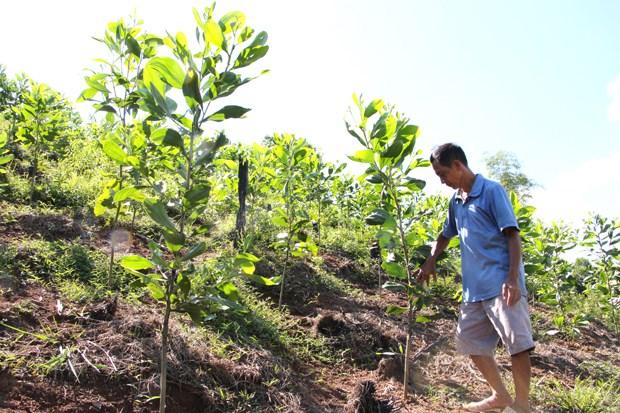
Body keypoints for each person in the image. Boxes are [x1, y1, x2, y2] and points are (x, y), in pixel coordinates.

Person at [417, 143, 534, 413]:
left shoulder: (492, 191)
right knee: (470, 342)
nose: (442, 181)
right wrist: (431, 260)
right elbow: (446, 234)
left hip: (502, 283)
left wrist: (512, 279)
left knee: (517, 345)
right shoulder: (456, 202)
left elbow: (512, 236)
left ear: (458, 165)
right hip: (474, 289)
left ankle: (523, 405)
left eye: (443, 174)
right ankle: (500, 395)